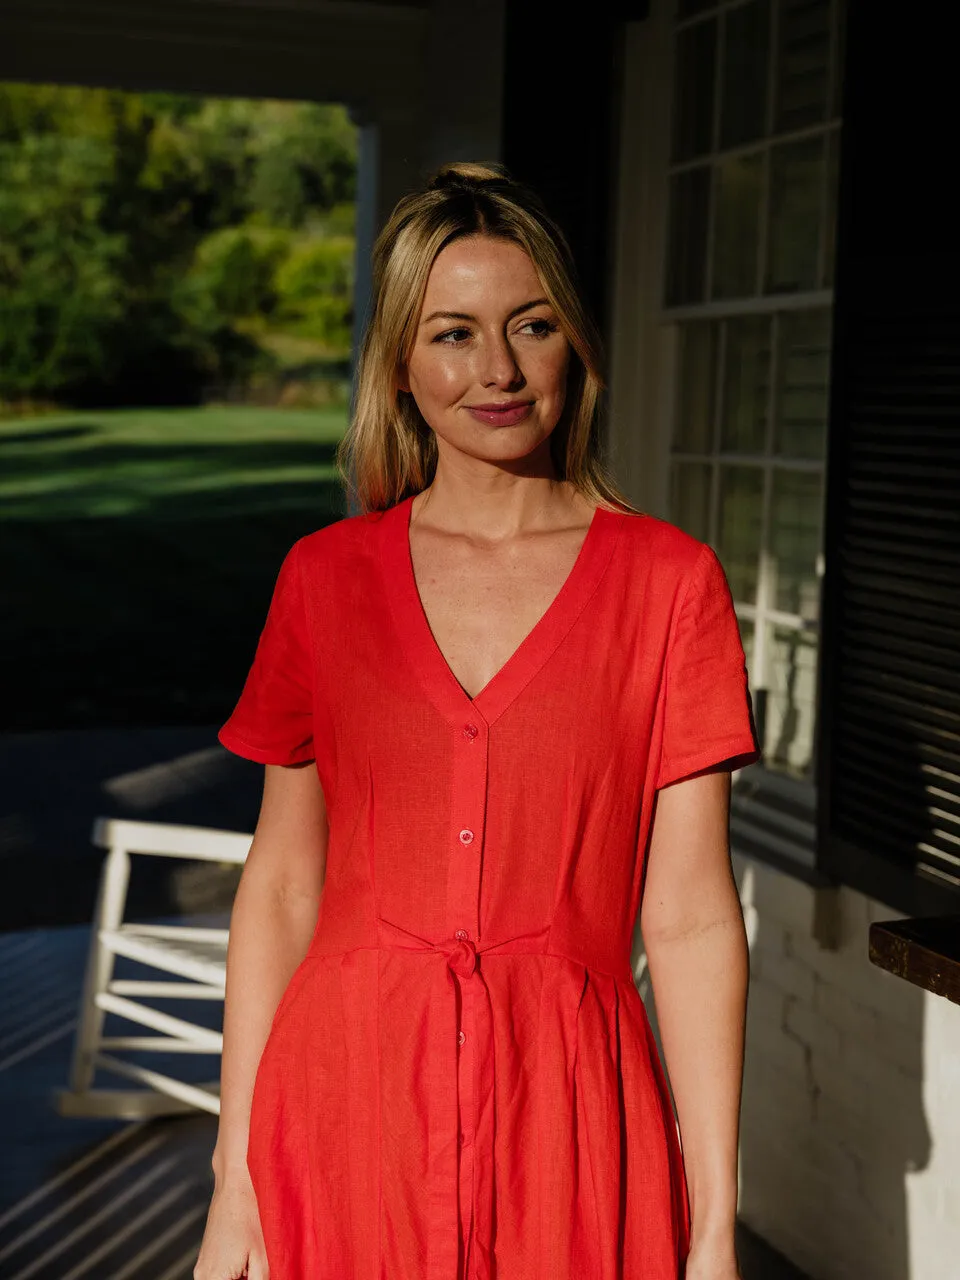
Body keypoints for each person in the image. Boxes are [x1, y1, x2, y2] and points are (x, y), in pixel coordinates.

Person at [194, 161, 761, 1280]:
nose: (496, 370)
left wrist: (711, 1229)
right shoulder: (325, 578)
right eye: (453, 333)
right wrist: (233, 1181)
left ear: (576, 345)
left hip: (572, 1123)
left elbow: (692, 916)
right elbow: (283, 885)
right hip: (346, 1106)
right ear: (400, 363)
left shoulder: (669, 584)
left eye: (531, 325)